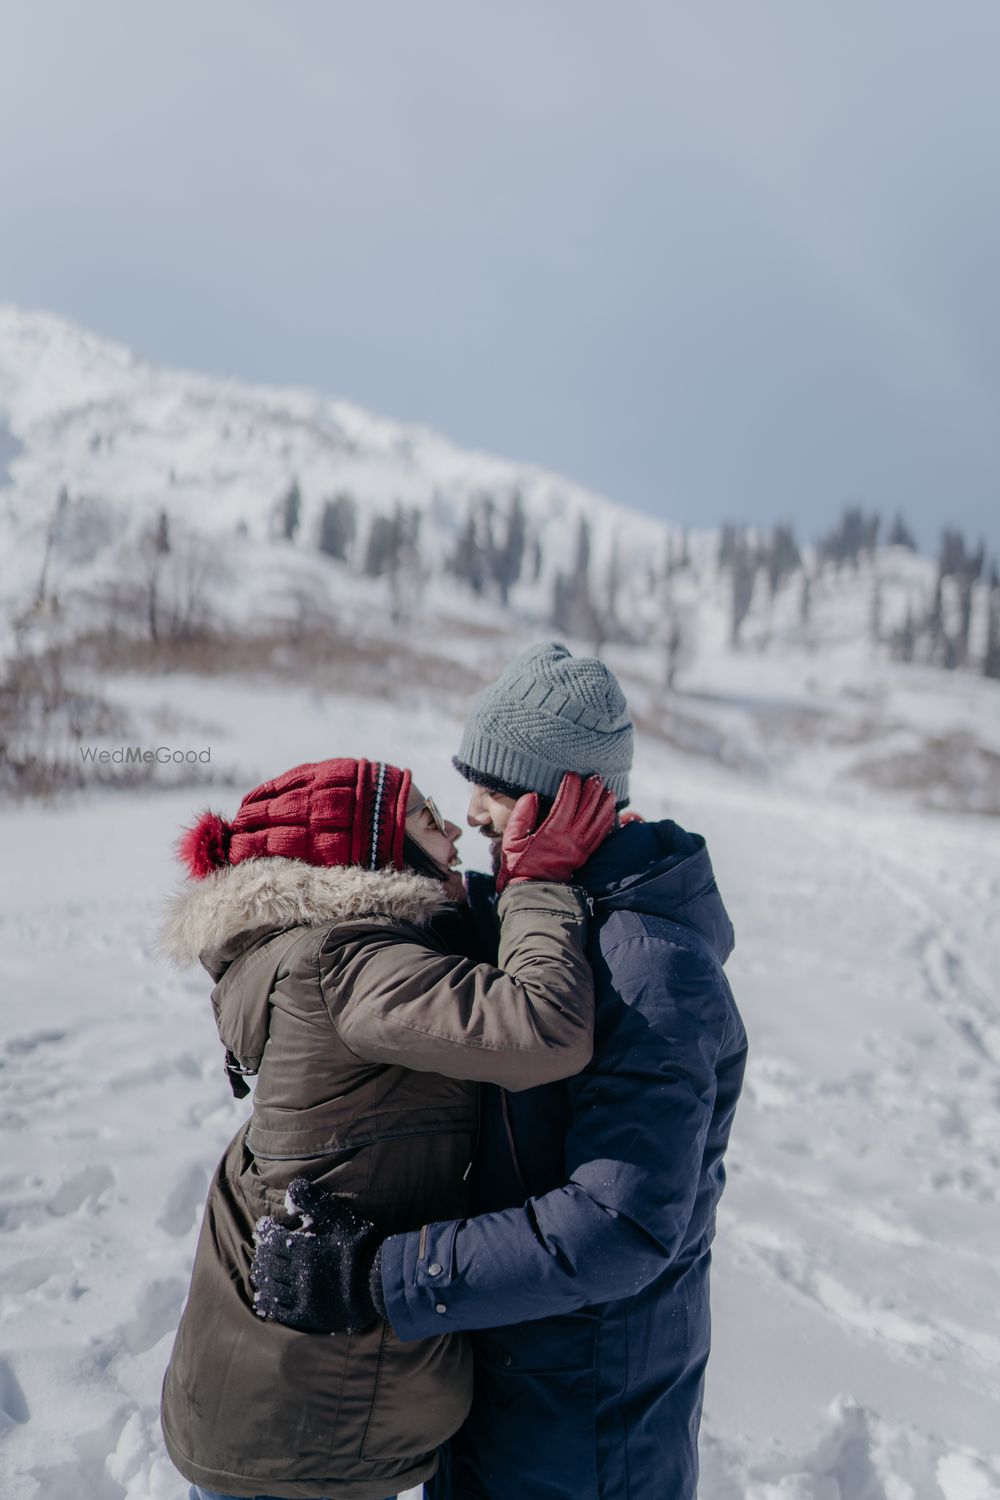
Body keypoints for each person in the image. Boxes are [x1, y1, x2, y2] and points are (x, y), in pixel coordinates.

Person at [253, 645, 748, 1500]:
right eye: (470, 778)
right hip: (503, 1390)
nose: (474, 812)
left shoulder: (650, 967)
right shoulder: (538, 913)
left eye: (501, 788)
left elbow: (619, 1227)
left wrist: (381, 1276)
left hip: (587, 1431)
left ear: (579, 800)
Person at [158, 753, 616, 1500]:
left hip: (279, 1393)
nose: (457, 835)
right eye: (428, 820)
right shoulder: (350, 963)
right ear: (369, 852)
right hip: (302, 1417)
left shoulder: (328, 953)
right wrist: (541, 883)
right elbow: (544, 1025)